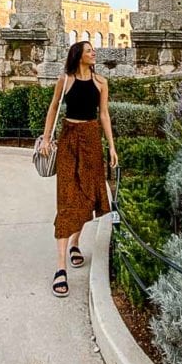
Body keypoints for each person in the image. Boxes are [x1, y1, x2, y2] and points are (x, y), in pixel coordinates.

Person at [40, 40, 118, 297]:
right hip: (68, 138)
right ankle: (60, 267)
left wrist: (112, 147)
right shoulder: (65, 80)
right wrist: (46, 138)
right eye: (89, 51)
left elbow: (104, 114)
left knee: (88, 195)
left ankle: (75, 242)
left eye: (93, 50)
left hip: (91, 139)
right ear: (78, 56)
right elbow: (54, 107)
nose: (94, 53)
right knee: (66, 199)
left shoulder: (101, 82)